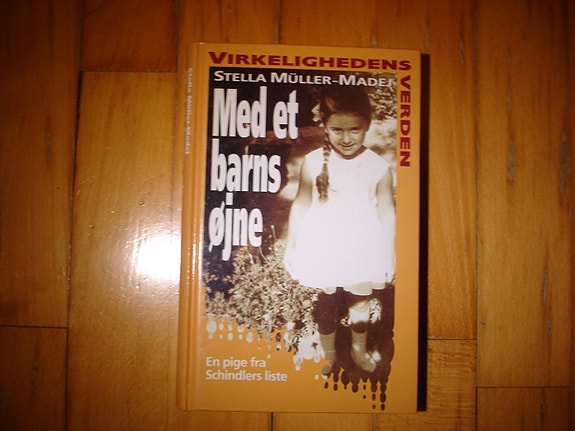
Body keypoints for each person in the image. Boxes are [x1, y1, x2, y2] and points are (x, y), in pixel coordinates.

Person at [284, 85, 396, 373]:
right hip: (326, 245)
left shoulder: (378, 167)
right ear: (325, 125)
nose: (346, 138)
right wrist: (291, 246)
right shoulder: (312, 162)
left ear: (367, 124)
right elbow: (301, 203)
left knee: (360, 303)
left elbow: (386, 211)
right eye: (337, 130)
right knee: (327, 302)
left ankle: (358, 349)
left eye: (355, 130)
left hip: (363, 246)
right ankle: (330, 352)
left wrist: (389, 253)